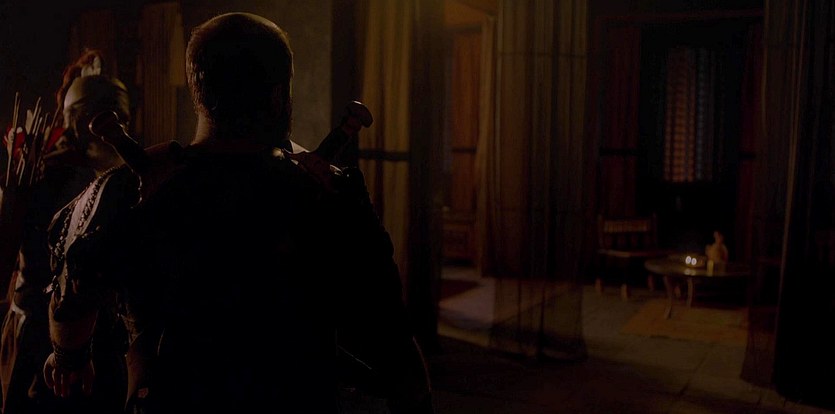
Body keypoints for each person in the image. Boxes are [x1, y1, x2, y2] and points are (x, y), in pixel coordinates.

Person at [43, 12, 433, 414]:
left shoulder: (128, 188)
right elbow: (393, 341)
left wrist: (69, 357)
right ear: (279, 95)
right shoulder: (330, 194)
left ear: (197, 90)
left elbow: (72, 294)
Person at [2, 49, 136, 414]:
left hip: (100, 335)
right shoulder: (42, 177)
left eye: (120, 119)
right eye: (105, 117)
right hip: (38, 332)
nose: (116, 128)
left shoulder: (124, 178)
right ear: (79, 120)